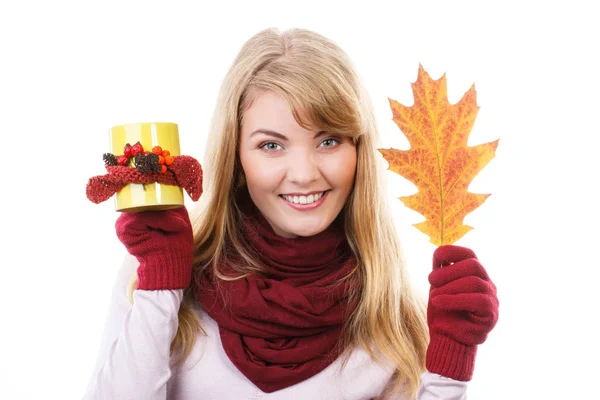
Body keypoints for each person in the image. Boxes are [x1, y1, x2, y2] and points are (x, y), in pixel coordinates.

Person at [82, 27, 499, 400]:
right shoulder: (158, 269)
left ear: (358, 152)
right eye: (271, 145)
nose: (303, 174)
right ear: (236, 160)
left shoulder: (386, 310)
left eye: (329, 141)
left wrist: (449, 367)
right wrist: (160, 287)